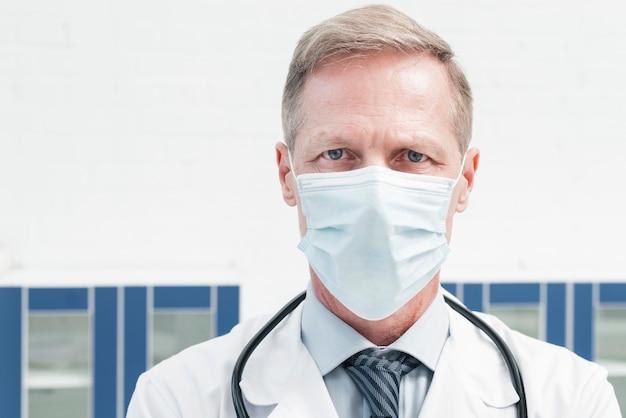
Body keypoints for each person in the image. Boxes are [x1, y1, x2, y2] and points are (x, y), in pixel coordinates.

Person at [127, 5, 621, 417]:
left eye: (413, 156)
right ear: (287, 174)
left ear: (464, 181)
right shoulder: (178, 399)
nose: (377, 195)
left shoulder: (569, 398)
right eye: (338, 154)